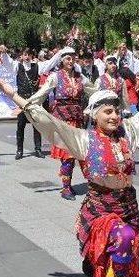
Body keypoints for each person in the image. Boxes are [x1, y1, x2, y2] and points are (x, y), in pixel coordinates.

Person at [0, 60, 139, 277]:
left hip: (128, 205)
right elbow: (50, 123)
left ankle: (98, 260)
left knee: (128, 255)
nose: (114, 116)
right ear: (95, 115)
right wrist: (14, 95)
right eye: (108, 112)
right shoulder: (84, 139)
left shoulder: (129, 133)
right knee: (123, 239)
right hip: (100, 208)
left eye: (116, 111)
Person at [28, 47, 97, 200]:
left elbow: (95, 92)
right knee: (68, 155)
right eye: (67, 58)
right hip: (62, 121)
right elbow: (42, 92)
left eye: (73, 58)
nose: (71, 61)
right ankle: (66, 187)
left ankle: (94, 185)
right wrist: (28, 104)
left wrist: (92, 108)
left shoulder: (81, 78)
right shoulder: (55, 76)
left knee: (83, 152)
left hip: (78, 120)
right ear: (62, 60)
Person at [0, 47, 61, 160]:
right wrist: (4, 52)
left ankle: (38, 149)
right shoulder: (17, 66)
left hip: (34, 102)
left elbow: (50, 63)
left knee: (37, 126)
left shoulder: (37, 66)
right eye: (25, 55)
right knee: (20, 126)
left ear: (32, 56)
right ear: (22, 56)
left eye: (29, 55)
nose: (27, 57)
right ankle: (19, 150)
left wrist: (60, 53)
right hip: (21, 102)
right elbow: (7, 62)